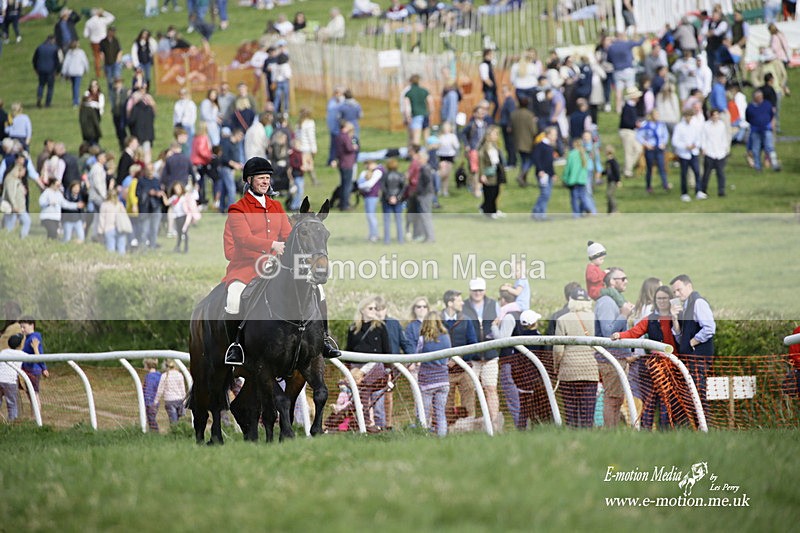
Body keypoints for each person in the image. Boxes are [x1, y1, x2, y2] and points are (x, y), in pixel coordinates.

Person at [612, 284, 680, 430]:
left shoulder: (678, 317)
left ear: (670, 300)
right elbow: (634, 332)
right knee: (649, 400)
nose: (661, 301)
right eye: (659, 298)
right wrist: (620, 335)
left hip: (673, 367)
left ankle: (666, 431)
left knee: (667, 401)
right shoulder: (650, 318)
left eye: (665, 298)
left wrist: (675, 318)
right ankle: (646, 430)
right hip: (654, 366)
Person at [670, 274, 716, 419]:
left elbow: (709, 328)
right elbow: (679, 336)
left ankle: (704, 428)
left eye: (679, 290)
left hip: (698, 358)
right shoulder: (686, 306)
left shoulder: (698, 303)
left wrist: (691, 343)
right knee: (692, 396)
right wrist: (674, 318)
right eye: (675, 292)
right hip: (690, 358)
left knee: (698, 396)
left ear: (689, 286)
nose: (677, 294)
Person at [594, 267, 634, 428]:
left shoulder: (613, 300)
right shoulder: (607, 302)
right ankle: (610, 433)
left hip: (616, 358)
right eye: (623, 278)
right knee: (612, 398)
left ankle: (612, 431)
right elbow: (608, 332)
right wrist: (624, 314)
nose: (626, 281)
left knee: (617, 398)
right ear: (612, 281)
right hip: (610, 359)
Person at [553, 287, 598, 428]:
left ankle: (571, 438)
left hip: (569, 370)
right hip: (591, 369)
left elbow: (558, 349)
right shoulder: (595, 318)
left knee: (570, 410)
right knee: (588, 411)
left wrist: (556, 366)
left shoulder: (562, 320)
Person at [462, 277, 501, 424]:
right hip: (472, 357)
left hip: (490, 355)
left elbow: (498, 324)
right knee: (469, 390)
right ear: (470, 291)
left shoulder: (493, 304)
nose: (477, 293)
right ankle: (469, 422)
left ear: (484, 290)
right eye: (475, 290)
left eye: (480, 290)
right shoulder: (464, 306)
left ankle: (494, 422)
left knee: (490, 389)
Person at [493, 289, 523, 430]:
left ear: (503, 301)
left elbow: (502, 340)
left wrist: (493, 327)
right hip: (519, 361)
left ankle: (519, 426)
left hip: (508, 361)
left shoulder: (508, 317)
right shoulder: (521, 313)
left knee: (512, 396)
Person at [418, 311, 452, 437]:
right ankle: (442, 438)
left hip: (427, 382)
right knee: (440, 412)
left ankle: (423, 437)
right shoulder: (446, 337)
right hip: (443, 380)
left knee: (424, 413)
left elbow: (417, 355)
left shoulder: (423, 339)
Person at [745, 90, 780, 172]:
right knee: (756, 149)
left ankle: (774, 164)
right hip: (755, 130)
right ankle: (758, 167)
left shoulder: (767, 104)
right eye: (758, 97)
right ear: (754, 98)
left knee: (769, 147)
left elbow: (771, 115)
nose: (760, 98)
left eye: (761, 96)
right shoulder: (750, 107)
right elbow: (748, 118)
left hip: (766, 129)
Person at [636, 109, 671, 193]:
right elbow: (639, 136)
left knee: (662, 166)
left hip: (659, 148)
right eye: (655, 114)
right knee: (650, 168)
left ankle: (665, 184)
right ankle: (648, 186)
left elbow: (665, 135)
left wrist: (663, 143)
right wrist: (646, 144)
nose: (657, 116)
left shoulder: (661, 125)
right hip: (650, 148)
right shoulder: (646, 126)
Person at [672, 110, 702, 202]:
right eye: (687, 116)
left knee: (697, 172)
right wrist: (685, 146)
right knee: (684, 174)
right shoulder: (679, 127)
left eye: (690, 116)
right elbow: (675, 141)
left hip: (693, 152)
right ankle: (684, 193)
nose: (689, 118)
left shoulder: (695, 126)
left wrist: (695, 145)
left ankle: (698, 191)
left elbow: (699, 138)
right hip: (684, 154)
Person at [561, 138, 596, 218]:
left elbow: (568, 168)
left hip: (573, 180)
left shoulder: (572, 154)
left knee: (574, 198)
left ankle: (576, 214)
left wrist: (565, 178)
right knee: (583, 197)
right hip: (582, 180)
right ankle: (586, 208)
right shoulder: (584, 154)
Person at [699, 108, 730, 198]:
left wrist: (725, 149)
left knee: (721, 173)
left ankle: (721, 191)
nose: (716, 117)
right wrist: (704, 148)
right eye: (714, 115)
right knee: (707, 173)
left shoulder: (721, 125)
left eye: (717, 115)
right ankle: (703, 190)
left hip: (720, 152)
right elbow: (703, 138)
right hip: (709, 152)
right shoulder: (706, 125)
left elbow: (724, 137)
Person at [19, 317, 47, 410]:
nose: (22, 330)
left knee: (34, 393)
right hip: (28, 369)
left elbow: (39, 354)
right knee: (31, 393)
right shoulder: (27, 338)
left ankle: (36, 416)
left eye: (24, 327)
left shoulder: (34, 338)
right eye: (21, 327)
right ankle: (34, 415)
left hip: (33, 370)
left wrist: (44, 368)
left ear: (32, 325)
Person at [530, 126, 557, 221]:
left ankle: (541, 213)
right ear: (548, 135)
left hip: (549, 173)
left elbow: (550, 162)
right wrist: (540, 170)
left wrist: (553, 173)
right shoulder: (540, 145)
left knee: (547, 194)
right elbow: (536, 158)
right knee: (544, 193)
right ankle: (537, 212)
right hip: (543, 174)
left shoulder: (550, 146)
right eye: (553, 134)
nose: (555, 137)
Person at [477, 125, 504, 219]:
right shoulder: (484, 148)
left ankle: (494, 209)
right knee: (489, 193)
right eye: (494, 134)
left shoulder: (495, 146)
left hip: (496, 171)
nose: (496, 136)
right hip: (488, 173)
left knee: (496, 191)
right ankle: (488, 211)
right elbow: (481, 162)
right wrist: (482, 174)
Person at [618, 85, 643, 179]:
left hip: (632, 131)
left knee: (638, 149)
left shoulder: (632, 107)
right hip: (626, 131)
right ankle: (628, 171)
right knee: (628, 151)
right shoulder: (627, 107)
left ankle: (627, 167)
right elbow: (626, 122)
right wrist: (635, 124)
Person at [356, 160, 383, 243]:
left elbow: (370, 184)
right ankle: (372, 233)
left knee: (371, 215)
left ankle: (375, 234)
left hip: (373, 196)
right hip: (367, 196)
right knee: (369, 216)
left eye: (368, 165)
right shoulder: (368, 172)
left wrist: (360, 186)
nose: (367, 167)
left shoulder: (378, 171)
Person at [334, 122, 358, 212]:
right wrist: (354, 147)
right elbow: (349, 148)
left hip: (341, 162)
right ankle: (345, 205)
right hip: (347, 163)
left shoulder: (338, 136)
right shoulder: (345, 136)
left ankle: (342, 203)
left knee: (343, 184)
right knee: (347, 185)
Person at [0, 333, 24, 422]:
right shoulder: (22, 354)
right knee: (12, 404)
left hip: (0, 379)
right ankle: (12, 423)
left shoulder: (3, 352)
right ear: (20, 345)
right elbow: (35, 359)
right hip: (10, 382)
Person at [32, 35, 61, 108]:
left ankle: (39, 97)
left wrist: (36, 69)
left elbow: (34, 59)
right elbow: (58, 61)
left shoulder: (39, 47)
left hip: (41, 70)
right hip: (51, 71)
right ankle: (47, 103)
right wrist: (58, 71)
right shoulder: (55, 48)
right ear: (52, 40)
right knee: (50, 87)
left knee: (41, 85)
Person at [155, 359, 186, 424]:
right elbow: (182, 389)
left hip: (169, 400)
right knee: (179, 421)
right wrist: (184, 401)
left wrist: (156, 400)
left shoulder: (164, 376)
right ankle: (179, 432)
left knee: (173, 421)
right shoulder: (179, 375)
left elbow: (160, 390)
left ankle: (174, 433)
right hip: (179, 400)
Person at [142, 358, 161, 432]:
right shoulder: (159, 375)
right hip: (156, 400)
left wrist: (146, 400)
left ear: (147, 366)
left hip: (150, 400)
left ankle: (155, 432)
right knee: (151, 417)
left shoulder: (150, 377)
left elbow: (148, 390)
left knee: (151, 419)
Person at [479, 48, 498, 120]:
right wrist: (492, 85)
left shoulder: (489, 64)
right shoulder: (484, 65)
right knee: (487, 106)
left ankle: (490, 119)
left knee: (496, 105)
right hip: (488, 90)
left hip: (491, 90)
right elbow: (485, 78)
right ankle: (486, 119)